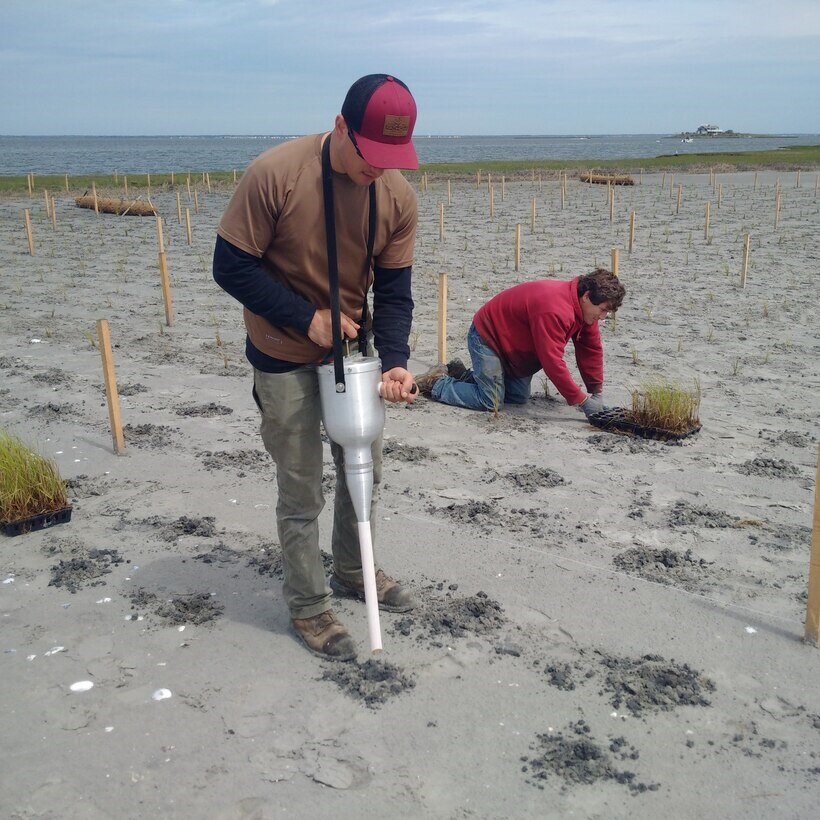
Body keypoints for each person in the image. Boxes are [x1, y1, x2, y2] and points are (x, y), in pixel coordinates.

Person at [213, 74, 420, 662]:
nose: (378, 169)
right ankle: (308, 606)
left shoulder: (397, 197)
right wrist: (307, 319)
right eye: (369, 156)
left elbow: (396, 291)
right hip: (282, 353)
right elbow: (230, 267)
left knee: (366, 473)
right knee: (301, 486)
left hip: (355, 357)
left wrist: (397, 362)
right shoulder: (275, 174)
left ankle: (355, 570)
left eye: (392, 158)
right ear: (339, 127)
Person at [416, 269, 626, 416]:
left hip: (514, 350)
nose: (603, 316)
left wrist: (596, 391)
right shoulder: (555, 309)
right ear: (587, 297)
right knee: (490, 402)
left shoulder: (587, 312)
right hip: (488, 338)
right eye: (603, 310)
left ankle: (460, 374)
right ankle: (436, 383)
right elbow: (552, 361)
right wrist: (581, 400)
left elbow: (591, 349)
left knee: (517, 396)